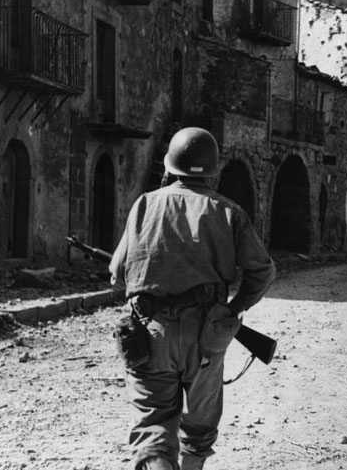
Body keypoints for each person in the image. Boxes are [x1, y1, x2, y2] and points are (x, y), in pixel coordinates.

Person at [109, 127, 276, 470]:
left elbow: (117, 274)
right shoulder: (229, 211)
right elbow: (262, 272)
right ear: (212, 172)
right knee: (198, 431)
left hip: (151, 331)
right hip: (208, 334)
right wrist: (233, 309)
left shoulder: (144, 205)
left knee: (154, 427)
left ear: (170, 167)